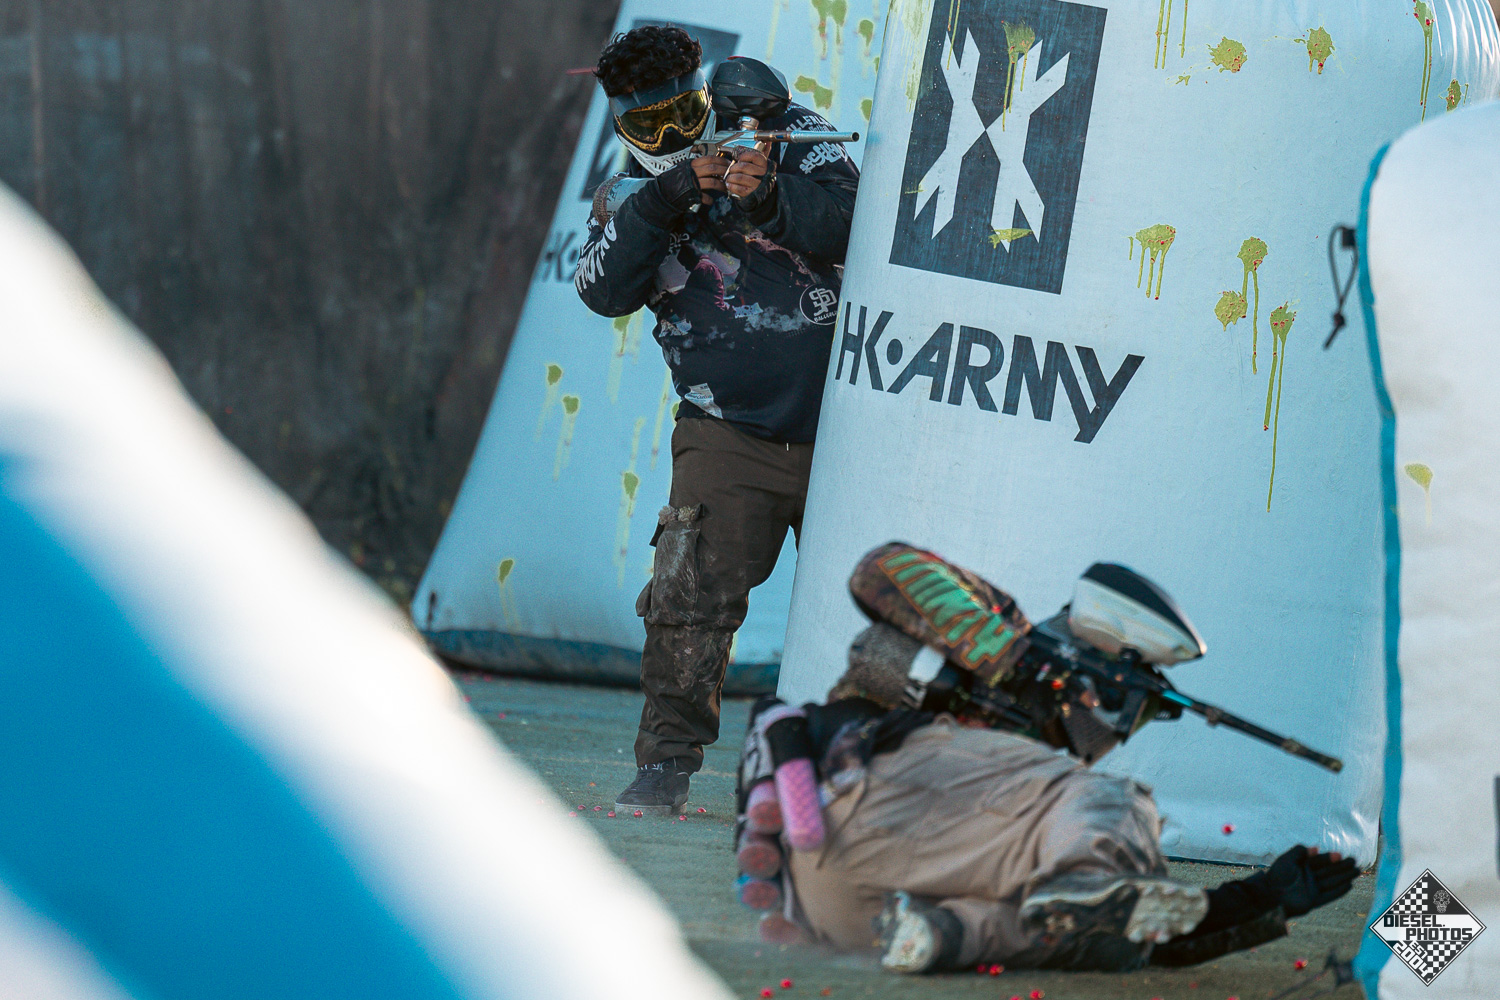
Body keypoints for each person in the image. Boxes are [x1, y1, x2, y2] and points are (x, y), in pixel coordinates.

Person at [734, 543, 1361, 973]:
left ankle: (939, 935)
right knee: (1116, 803)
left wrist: (1262, 898)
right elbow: (882, 567)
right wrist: (1017, 657)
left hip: (841, 906)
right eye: (1126, 709)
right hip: (864, 785)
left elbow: (1134, 926)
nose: (1115, 733)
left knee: (1096, 935)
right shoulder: (1002, 637)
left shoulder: (1033, 793)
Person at [573, 25, 859, 815]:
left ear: (707, 94)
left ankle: (871, 773)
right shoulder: (628, 193)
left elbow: (862, 223)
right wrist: (665, 199)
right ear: (623, 127)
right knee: (688, 596)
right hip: (727, 430)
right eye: (647, 127)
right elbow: (601, 291)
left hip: (860, 429)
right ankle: (666, 767)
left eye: (683, 116)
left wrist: (768, 197)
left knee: (875, 601)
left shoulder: (788, 132)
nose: (670, 138)